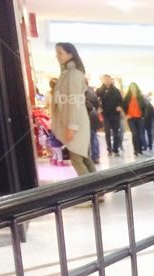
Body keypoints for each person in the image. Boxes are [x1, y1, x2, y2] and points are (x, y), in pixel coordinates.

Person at [50, 42, 95, 176]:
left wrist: (72, 127)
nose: (57, 56)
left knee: (77, 158)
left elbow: (74, 102)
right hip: (75, 122)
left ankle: (91, 190)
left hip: (76, 123)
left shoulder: (73, 74)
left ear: (70, 54)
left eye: (60, 53)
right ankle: (99, 190)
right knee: (84, 157)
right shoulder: (66, 73)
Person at [97, 74, 124, 156]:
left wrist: (120, 107)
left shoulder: (116, 90)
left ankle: (116, 149)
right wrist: (98, 107)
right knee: (107, 132)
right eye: (105, 79)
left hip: (115, 114)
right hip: (106, 115)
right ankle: (109, 149)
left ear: (111, 80)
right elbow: (96, 100)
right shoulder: (99, 91)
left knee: (116, 132)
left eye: (108, 79)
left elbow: (121, 101)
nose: (107, 81)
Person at [122, 81, 146, 156]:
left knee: (140, 134)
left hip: (139, 118)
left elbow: (144, 107)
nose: (133, 89)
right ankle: (136, 149)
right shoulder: (127, 98)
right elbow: (124, 107)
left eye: (134, 87)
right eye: (131, 87)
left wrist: (143, 115)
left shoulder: (140, 97)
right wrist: (126, 115)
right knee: (134, 134)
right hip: (131, 118)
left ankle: (140, 149)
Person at [84, 78, 102, 164]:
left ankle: (94, 156)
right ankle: (96, 156)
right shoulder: (91, 91)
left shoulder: (84, 92)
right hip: (93, 116)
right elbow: (97, 104)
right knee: (94, 136)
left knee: (92, 137)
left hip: (88, 116)